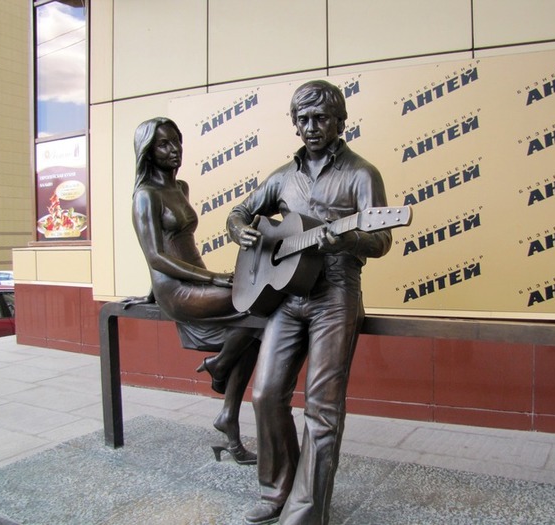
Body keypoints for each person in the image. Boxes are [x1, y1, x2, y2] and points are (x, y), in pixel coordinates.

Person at [227, 80, 392, 525]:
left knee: (321, 405)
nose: (311, 127)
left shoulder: (361, 173)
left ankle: (306, 509)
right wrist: (238, 228)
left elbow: (381, 240)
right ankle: (277, 490)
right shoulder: (282, 176)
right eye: (303, 119)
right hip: (286, 295)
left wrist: (341, 238)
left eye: (321, 118)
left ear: (340, 120)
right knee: (264, 394)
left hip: (335, 295)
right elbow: (240, 212)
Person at [130, 117, 260, 464]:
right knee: (256, 307)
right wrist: (212, 279)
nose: (174, 151)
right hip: (176, 290)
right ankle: (219, 368)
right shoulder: (145, 196)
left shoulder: (180, 187)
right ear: (147, 152)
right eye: (163, 145)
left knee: (254, 330)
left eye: (177, 142)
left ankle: (227, 413)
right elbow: (156, 256)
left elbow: (179, 244)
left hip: (196, 278)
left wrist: (211, 277)